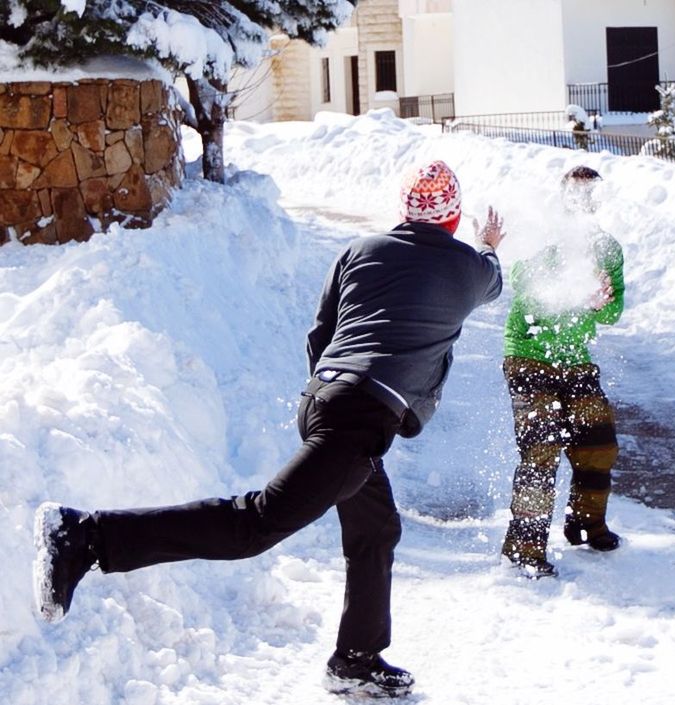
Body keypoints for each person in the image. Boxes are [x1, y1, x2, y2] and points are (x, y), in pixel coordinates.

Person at [32, 160, 505, 698]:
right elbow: (494, 278)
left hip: (325, 399)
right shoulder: (467, 268)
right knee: (253, 526)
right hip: (359, 419)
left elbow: (321, 332)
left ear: (403, 210)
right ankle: (84, 536)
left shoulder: (359, 251)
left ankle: (356, 659)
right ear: (453, 217)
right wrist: (487, 243)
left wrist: (332, 394)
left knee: (375, 528)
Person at [499, 165, 625, 578]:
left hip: (575, 360)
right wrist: (575, 294)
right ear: (562, 198)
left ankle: (586, 524)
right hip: (529, 355)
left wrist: (601, 303)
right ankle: (524, 548)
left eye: (590, 197)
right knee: (542, 450)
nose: (583, 204)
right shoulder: (539, 237)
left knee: (598, 444)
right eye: (576, 195)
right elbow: (529, 291)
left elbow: (614, 310)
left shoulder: (607, 249)